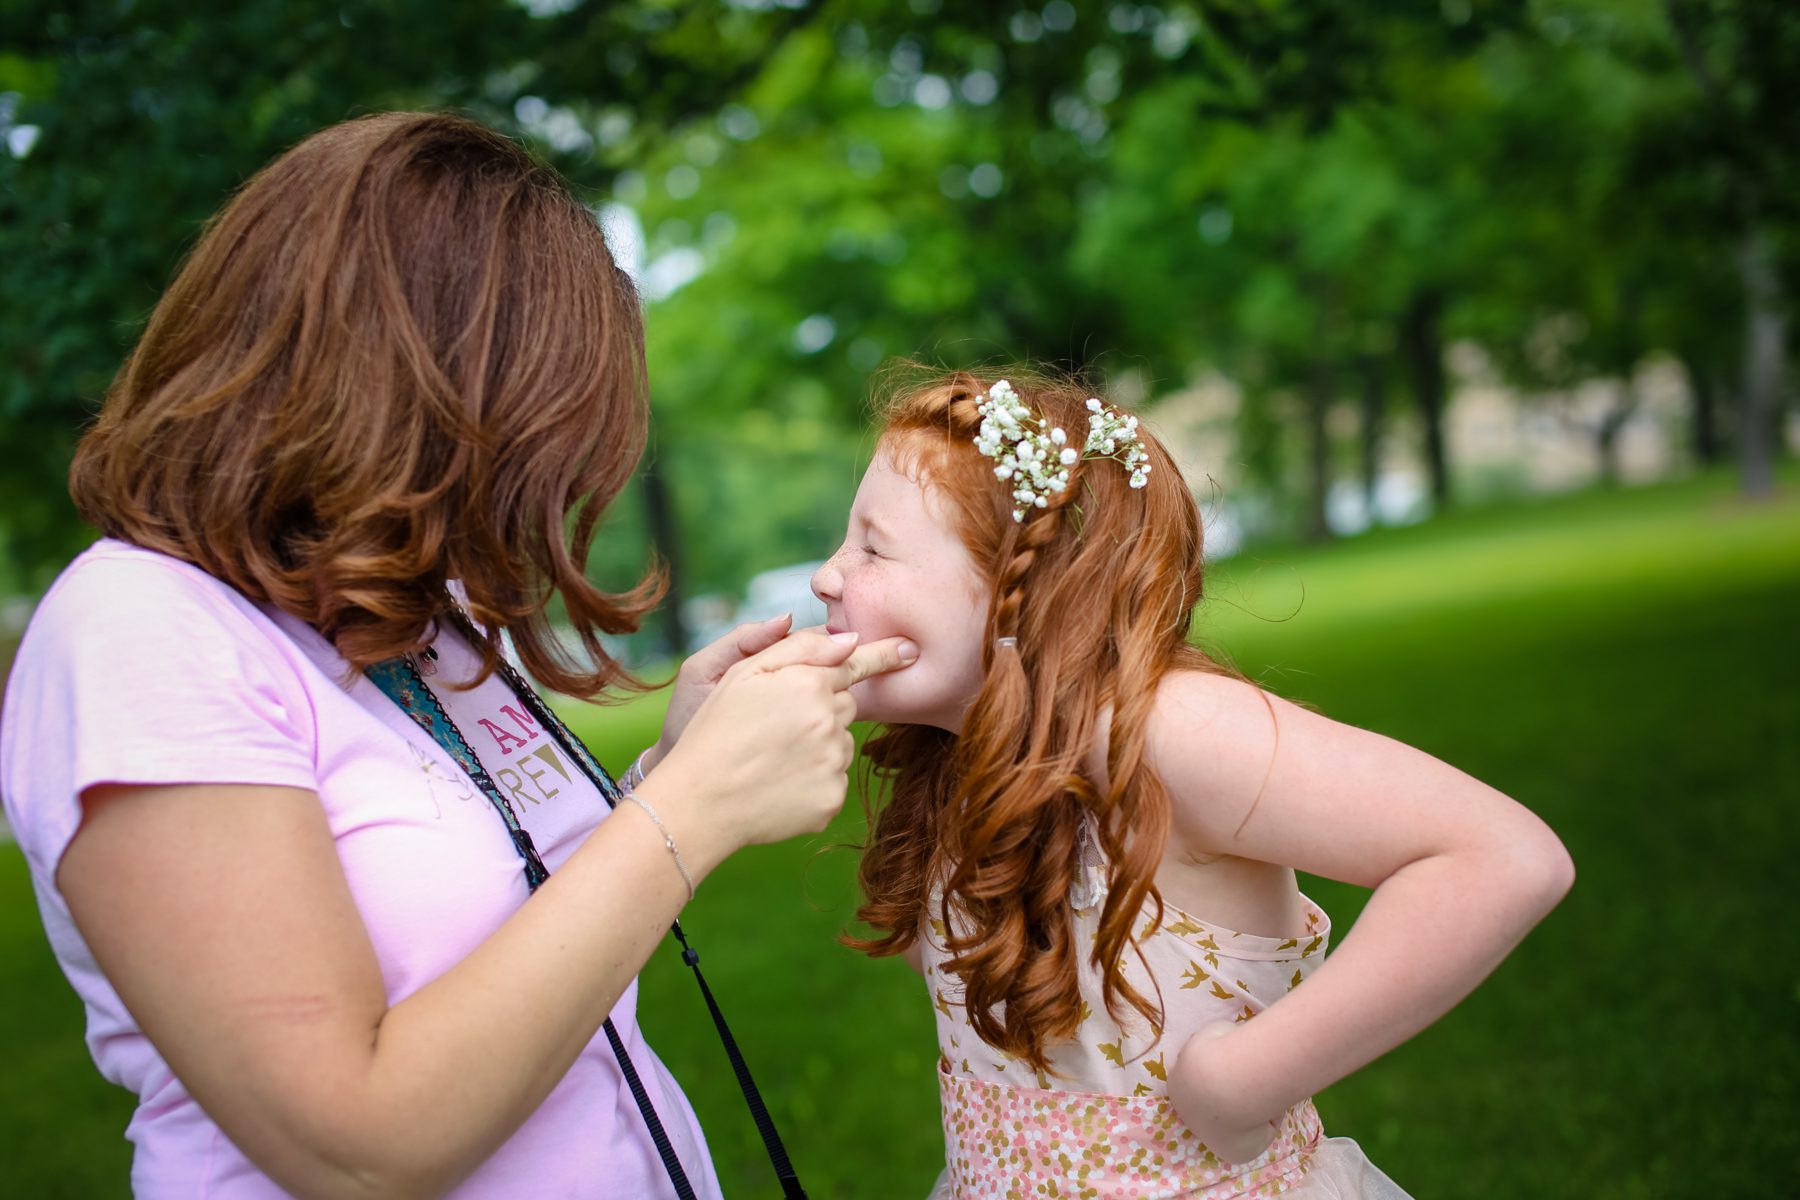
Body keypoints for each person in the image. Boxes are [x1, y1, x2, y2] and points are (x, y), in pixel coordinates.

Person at [0, 111, 914, 1199]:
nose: (549, 488)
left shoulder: (403, 612)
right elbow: (359, 1141)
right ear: (408, 391)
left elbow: (513, 923)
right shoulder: (139, 630)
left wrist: (673, 767)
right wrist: (699, 811)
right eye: (531, 433)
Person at [810, 369, 1575, 1197]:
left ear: (1020, 587)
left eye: (872, 547)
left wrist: (1243, 1079)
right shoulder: (963, 767)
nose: (826, 575)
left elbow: (1500, 855)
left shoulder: (1168, 732)